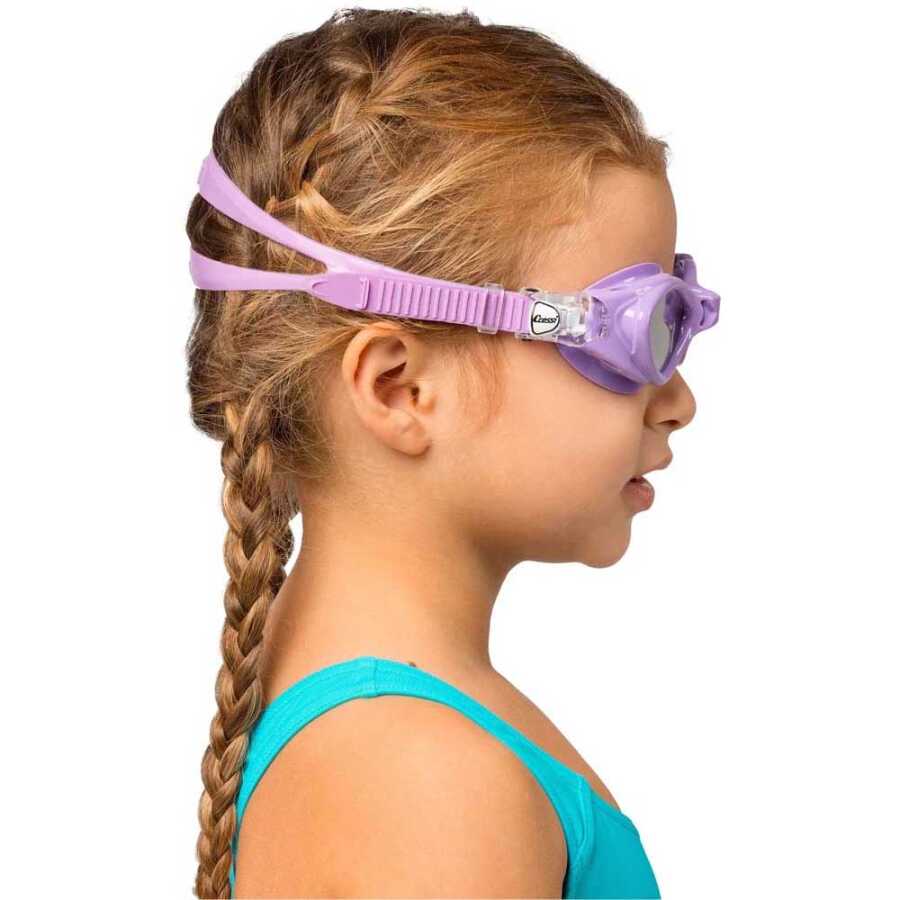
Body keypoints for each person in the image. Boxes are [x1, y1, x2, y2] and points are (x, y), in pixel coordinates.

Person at [185, 8, 718, 898]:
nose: (678, 402)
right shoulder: (420, 777)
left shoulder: (378, 718)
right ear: (400, 387)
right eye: (635, 336)